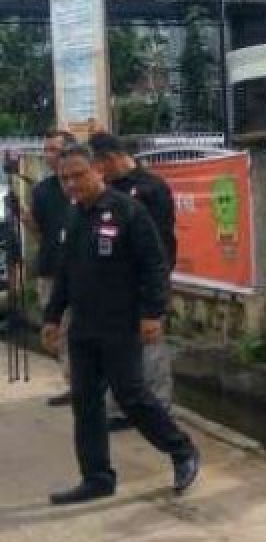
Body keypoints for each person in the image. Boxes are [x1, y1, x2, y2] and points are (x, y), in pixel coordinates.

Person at [39, 144, 199, 505]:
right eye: (65, 178)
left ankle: (182, 451)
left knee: (132, 396)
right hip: (83, 326)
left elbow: (154, 266)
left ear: (97, 170)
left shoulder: (129, 211)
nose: (71, 184)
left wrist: (152, 313)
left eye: (78, 175)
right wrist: (52, 317)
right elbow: (65, 273)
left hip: (121, 323)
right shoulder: (74, 215)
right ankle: (97, 477)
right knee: (87, 403)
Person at [89, 132, 177, 425]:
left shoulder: (152, 188)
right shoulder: (104, 193)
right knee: (116, 345)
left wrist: (158, 285)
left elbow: (162, 241)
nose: (97, 173)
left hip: (147, 277)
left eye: (98, 165)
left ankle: (158, 407)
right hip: (112, 283)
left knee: (150, 343)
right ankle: (120, 407)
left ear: (111, 158)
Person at [27, 129, 75, 406]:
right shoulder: (42, 189)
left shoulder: (79, 185)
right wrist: (23, 216)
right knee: (54, 329)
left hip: (77, 272)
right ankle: (73, 381)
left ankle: (83, 385)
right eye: (46, 150)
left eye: (54, 150)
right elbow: (39, 231)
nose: (48, 156)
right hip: (50, 268)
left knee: (73, 328)